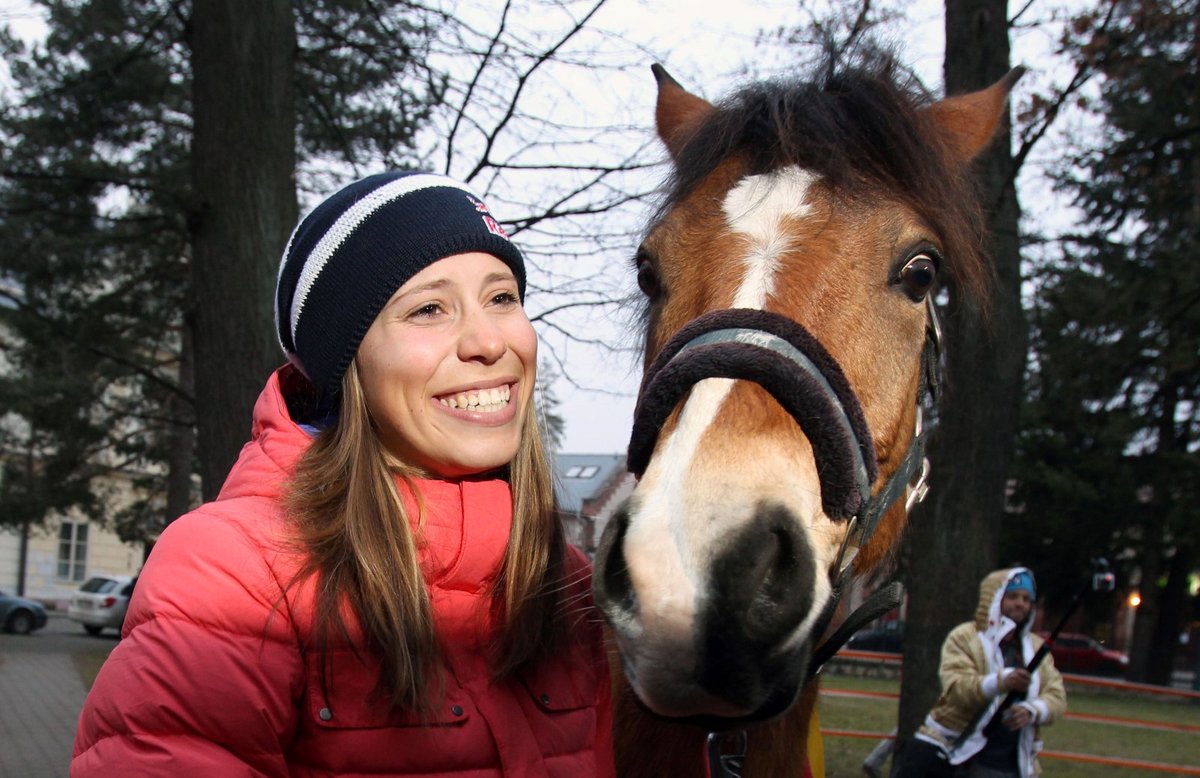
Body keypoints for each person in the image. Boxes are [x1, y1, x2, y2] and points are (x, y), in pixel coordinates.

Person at [72, 171, 615, 777]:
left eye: (502, 297)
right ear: (347, 362)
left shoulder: (562, 581)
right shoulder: (234, 570)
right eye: (429, 308)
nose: (488, 341)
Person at [891, 567, 1066, 778]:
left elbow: (1057, 696)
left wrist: (1031, 710)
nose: (1020, 603)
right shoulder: (965, 638)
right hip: (960, 756)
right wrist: (1001, 682)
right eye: (1012, 596)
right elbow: (957, 687)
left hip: (1016, 764)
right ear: (995, 597)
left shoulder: (1036, 649)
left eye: (1026, 599)